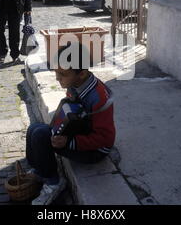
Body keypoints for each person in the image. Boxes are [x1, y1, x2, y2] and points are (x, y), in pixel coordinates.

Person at [26, 43, 115, 205]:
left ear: (81, 73)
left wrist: (69, 142)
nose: (57, 78)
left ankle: (54, 182)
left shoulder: (99, 98)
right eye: (56, 72)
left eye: (62, 74)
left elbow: (105, 139)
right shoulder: (76, 84)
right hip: (81, 131)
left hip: (95, 150)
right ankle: (40, 170)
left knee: (40, 136)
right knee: (34, 129)